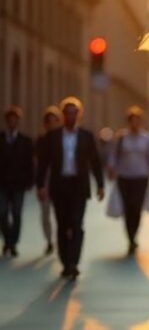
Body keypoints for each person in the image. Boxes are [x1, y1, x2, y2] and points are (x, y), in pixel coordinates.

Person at [36, 97, 104, 279]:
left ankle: (73, 262)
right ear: (63, 115)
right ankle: (65, 262)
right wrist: (41, 185)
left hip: (79, 187)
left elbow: (95, 162)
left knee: (76, 225)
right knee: (62, 225)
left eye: (74, 113)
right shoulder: (53, 137)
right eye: (67, 113)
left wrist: (100, 185)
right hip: (59, 186)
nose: (70, 116)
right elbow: (44, 163)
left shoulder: (86, 136)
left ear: (78, 115)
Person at [107, 106, 149, 254]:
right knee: (127, 207)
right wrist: (111, 168)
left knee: (136, 207)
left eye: (137, 121)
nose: (135, 124)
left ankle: (134, 234)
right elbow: (113, 155)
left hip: (141, 178)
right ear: (128, 122)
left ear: (141, 122)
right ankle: (130, 237)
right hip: (124, 178)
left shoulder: (147, 139)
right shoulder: (121, 138)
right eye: (132, 121)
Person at [0, 105, 34, 257]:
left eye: (15, 120)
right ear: (7, 122)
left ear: (18, 122)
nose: (12, 123)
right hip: (2, 183)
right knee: (2, 213)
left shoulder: (25, 141)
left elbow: (30, 163)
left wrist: (30, 181)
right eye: (10, 120)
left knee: (17, 213)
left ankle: (13, 243)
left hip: (19, 184)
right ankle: (7, 240)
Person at [36, 107, 61, 255]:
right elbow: (39, 164)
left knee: (61, 214)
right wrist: (40, 185)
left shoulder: (63, 139)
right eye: (48, 122)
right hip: (46, 181)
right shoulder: (41, 141)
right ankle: (49, 241)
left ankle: (60, 239)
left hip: (61, 182)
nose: (51, 125)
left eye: (54, 122)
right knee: (45, 213)